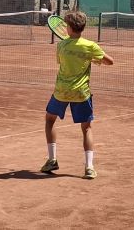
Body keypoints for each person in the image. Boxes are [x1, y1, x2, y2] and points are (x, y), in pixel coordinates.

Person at [41, 10, 114, 180]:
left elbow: (63, 62)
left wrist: (86, 58)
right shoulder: (90, 46)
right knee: (86, 128)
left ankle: (52, 160)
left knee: (50, 120)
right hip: (81, 93)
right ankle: (89, 168)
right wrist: (93, 59)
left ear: (69, 28)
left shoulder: (61, 46)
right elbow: (110, 61)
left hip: (62, 91)